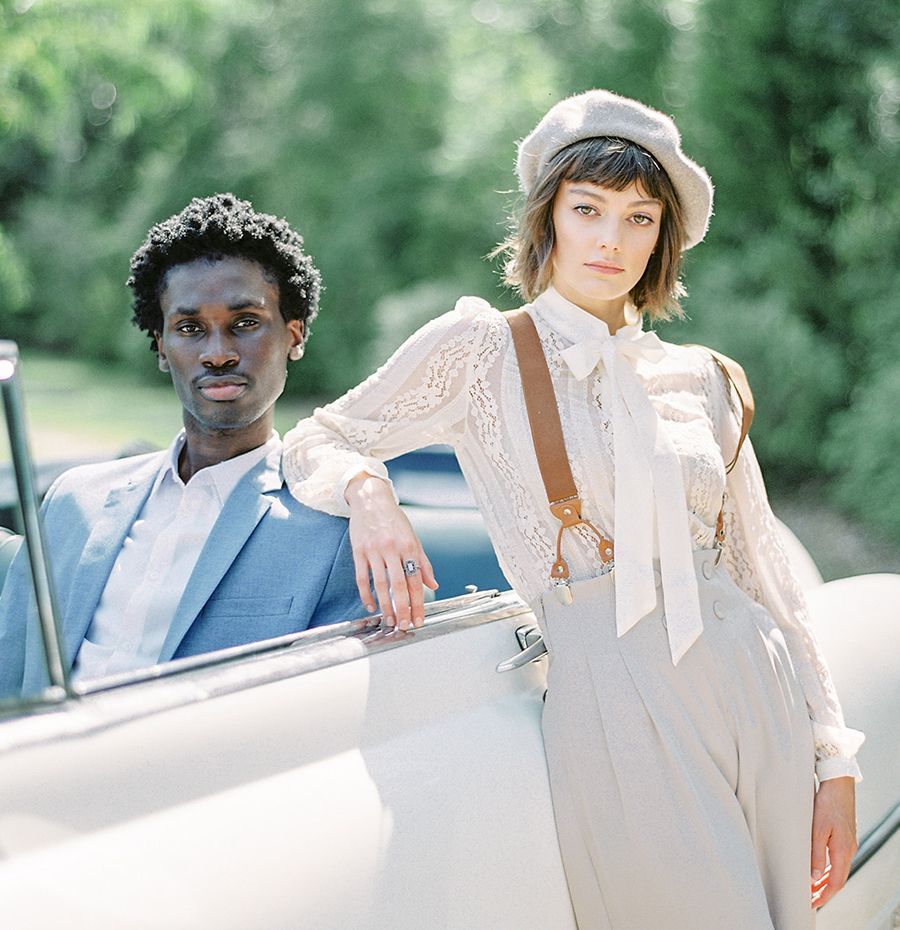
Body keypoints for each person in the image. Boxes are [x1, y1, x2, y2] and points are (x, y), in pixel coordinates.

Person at [280, 91, 863, 928]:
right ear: (546, 217)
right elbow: (322, 437)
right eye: (587, 209)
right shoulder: (481, 350)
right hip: (615, 694)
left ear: (662, 236)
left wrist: (832, 756)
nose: (611, 239)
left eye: (639, 217)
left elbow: (763, 570)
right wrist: (370, 494)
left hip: (753, 683)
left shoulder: (703, 376)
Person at [0, 194, 362, 697]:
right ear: (162, 347)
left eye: (246, 323)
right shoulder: (72, 500)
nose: (217, 353)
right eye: (190, 329)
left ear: (294, 336)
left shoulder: (335, 535)